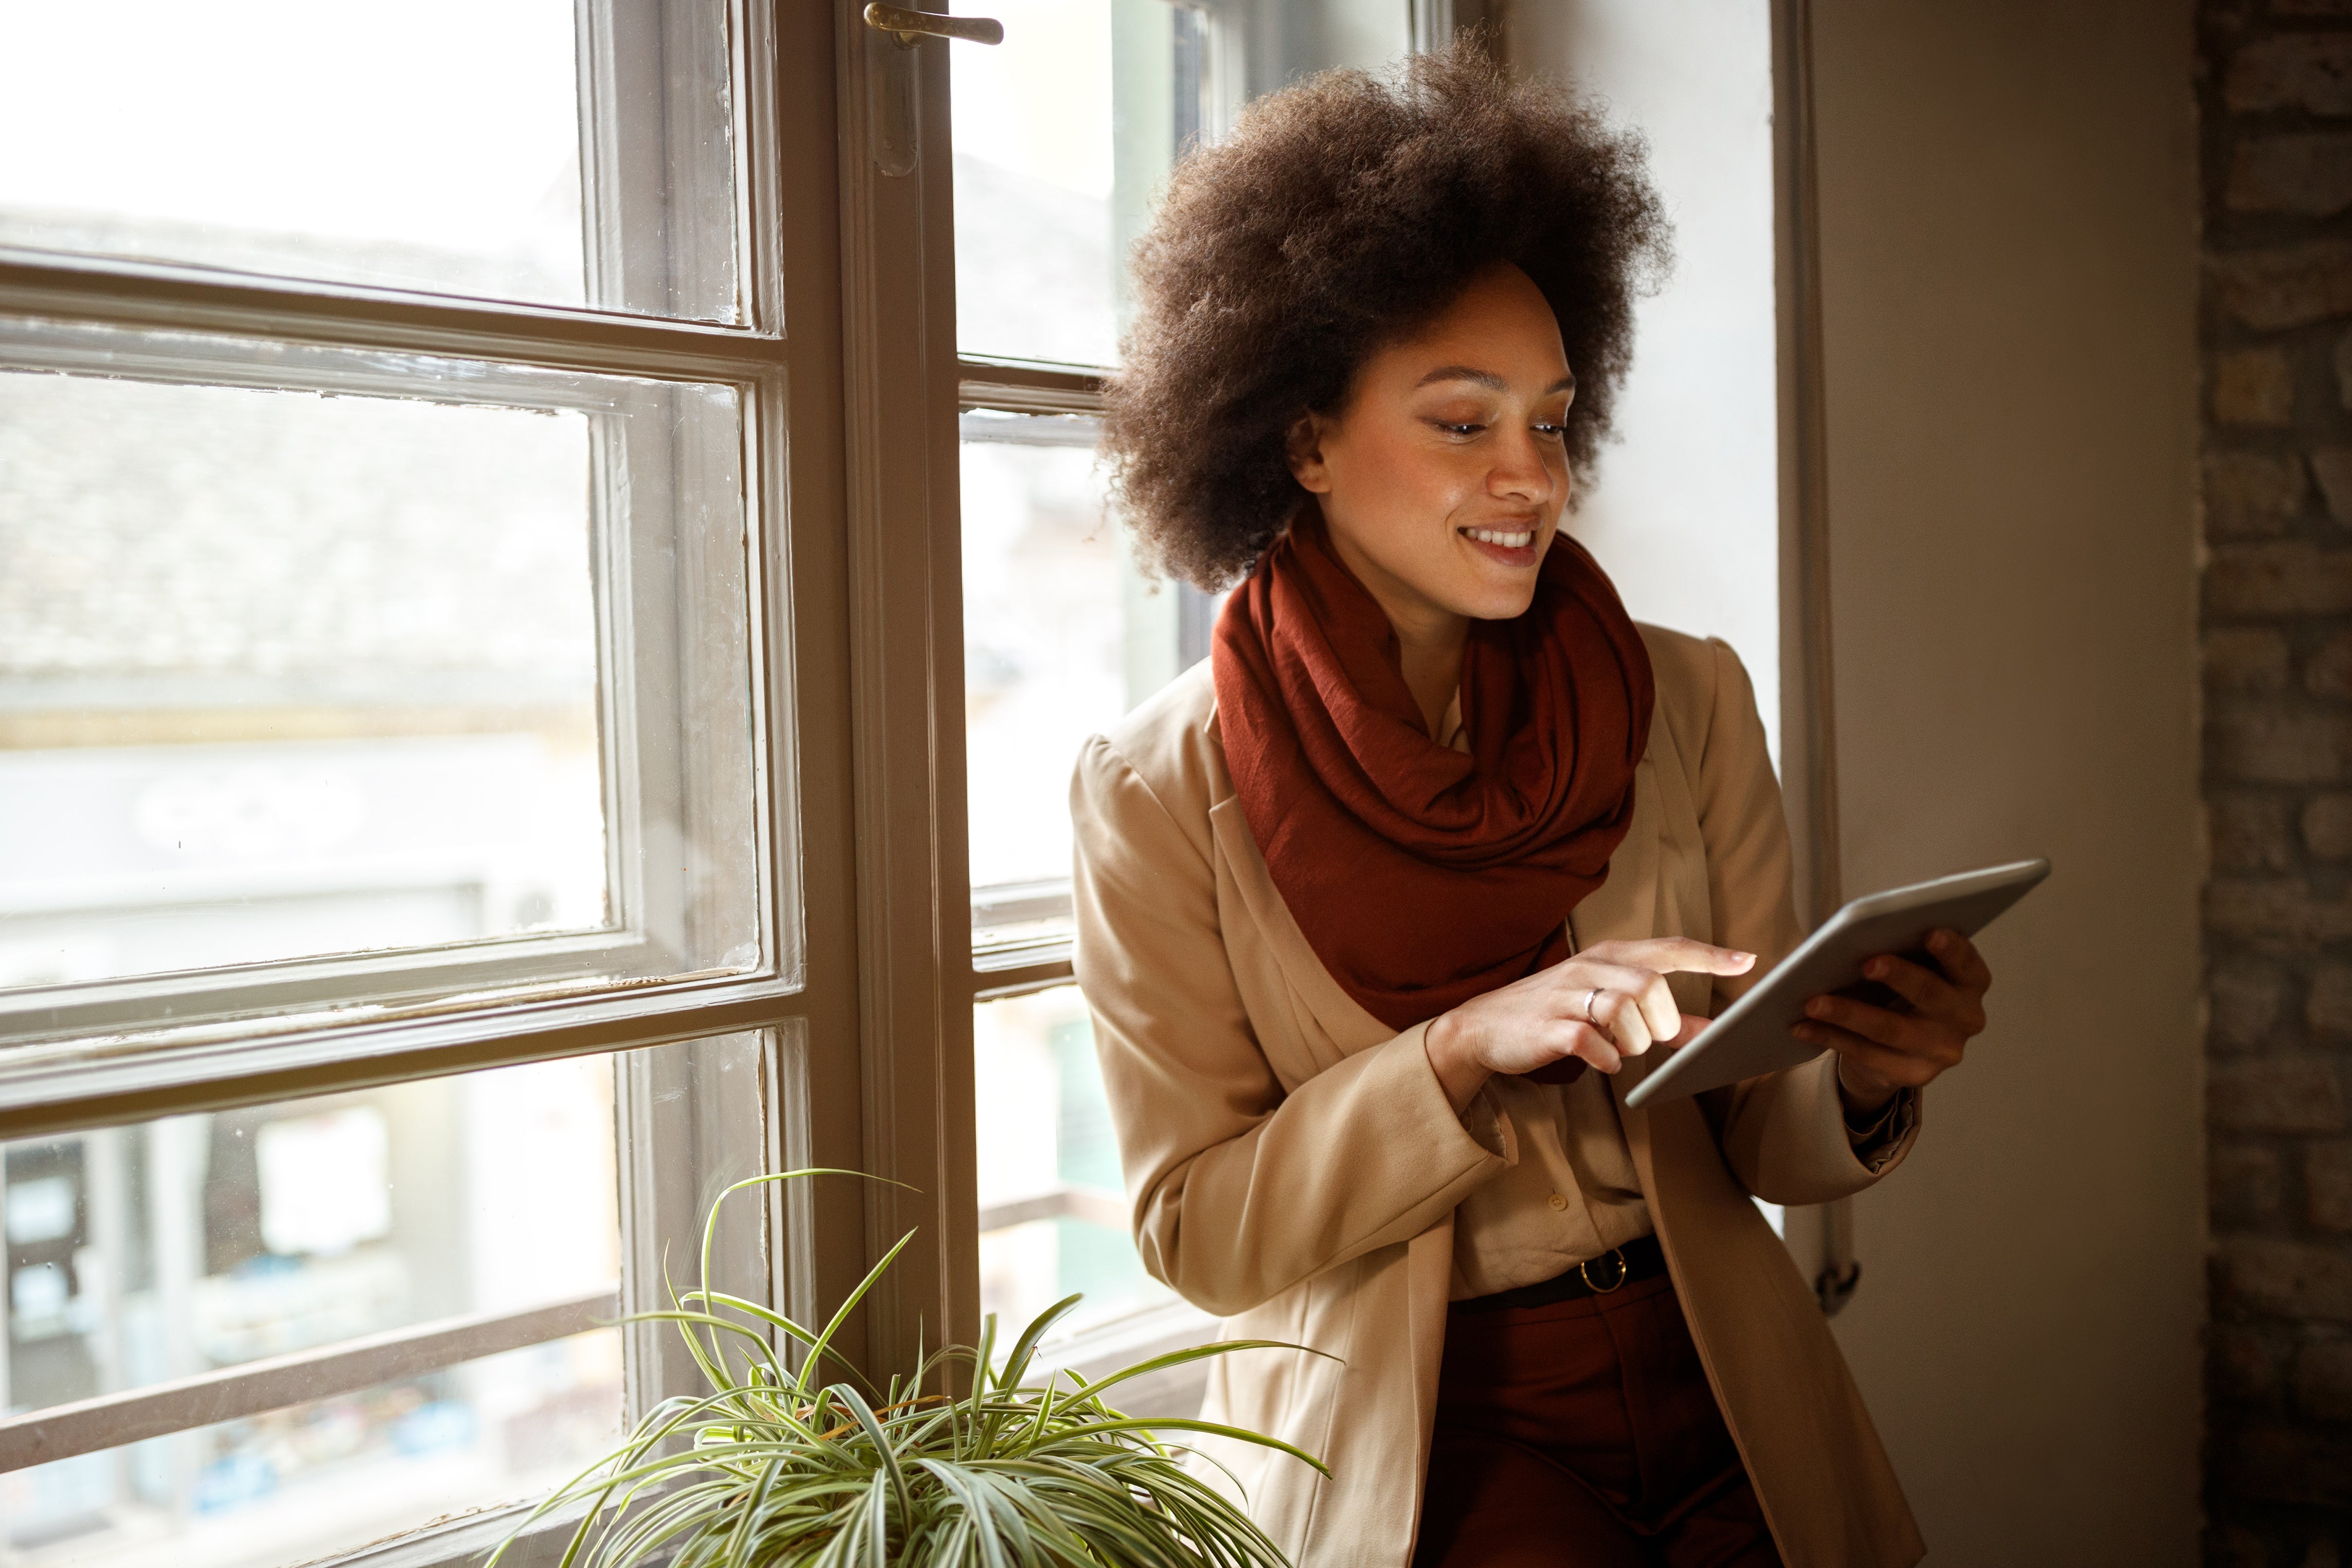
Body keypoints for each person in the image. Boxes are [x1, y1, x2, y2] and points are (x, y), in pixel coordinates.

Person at [1070, 43, 1988, 1568]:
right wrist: (1456, 1051)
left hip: (1723, 1381)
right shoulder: (1159, 792)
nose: (1530, 477)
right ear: (1300, 440)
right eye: (1460, 421)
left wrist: (1874, 1072)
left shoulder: (1682, 699)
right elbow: (1201, 1235)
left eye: (1551, 421)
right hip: (1434, 1432)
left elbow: (1758, 1125)